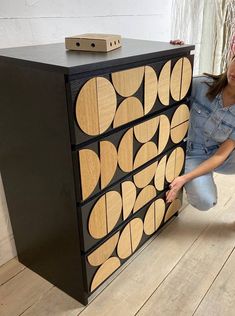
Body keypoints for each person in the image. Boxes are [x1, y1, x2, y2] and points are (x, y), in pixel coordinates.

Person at [166, 40, 235, 210]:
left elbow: (220, 156)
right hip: (191, 154)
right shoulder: (201, 84)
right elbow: (171, 83)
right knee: (205, 202)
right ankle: (197, 180)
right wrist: (175, 52)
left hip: (219, 156)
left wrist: (185, 178)